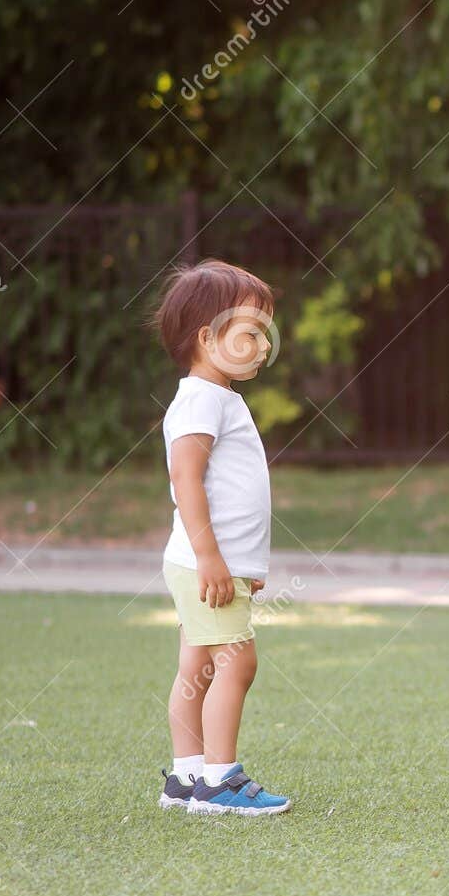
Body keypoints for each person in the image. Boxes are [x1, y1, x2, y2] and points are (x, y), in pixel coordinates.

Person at [152, 259, 292, 816]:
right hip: (204, 562)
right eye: (251, 333)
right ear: (208, 338)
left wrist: (242, 561)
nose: (263, 345)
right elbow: (185, 478)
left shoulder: (215, 397)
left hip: (206, 562)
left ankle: (186, 777)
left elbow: (233, 492)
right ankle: (219, 781)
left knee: (197, 667)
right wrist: (213, 559)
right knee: (237, 663)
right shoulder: (204, 399)